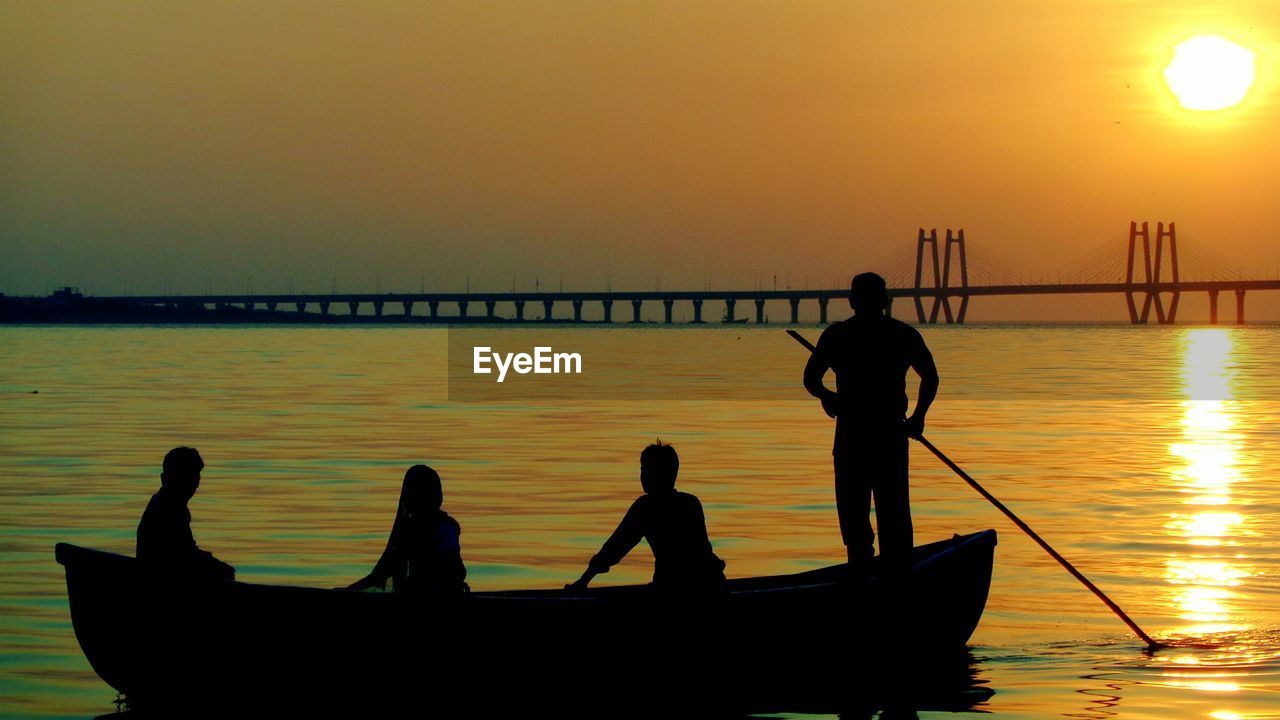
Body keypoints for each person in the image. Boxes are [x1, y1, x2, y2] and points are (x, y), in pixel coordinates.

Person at [803, 272, 939, 576]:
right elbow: (930, 377)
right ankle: (896, 580)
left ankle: (862, 578)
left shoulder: (837, 336)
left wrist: (827, 396)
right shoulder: (903, 335)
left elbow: (811, 379)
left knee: (856, 522)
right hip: (888, 435)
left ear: (852, 302)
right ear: (885, 301)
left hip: (854, 437)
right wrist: (918, 417)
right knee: (893, 518)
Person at [567, 442, 725, 595]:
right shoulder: (691, 502)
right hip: (714, 583)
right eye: (643, 470)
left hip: (675, 588)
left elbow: (614, 548)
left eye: (647, 470)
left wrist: (583, 581)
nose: (642, 476)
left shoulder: (646, 508)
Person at [345, 465, 468, 595]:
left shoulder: (443, 527)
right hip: (415, 594)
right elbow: (386, 570)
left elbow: (457, 569)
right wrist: (349, 591)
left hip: (433, 597)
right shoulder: (410, 528)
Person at [137, 446, 235, 580]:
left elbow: (185, 550)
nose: (197, 484)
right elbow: (181, 556)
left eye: (197, 477)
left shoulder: (166, 503)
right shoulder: (170, 509)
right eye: (193, 476)